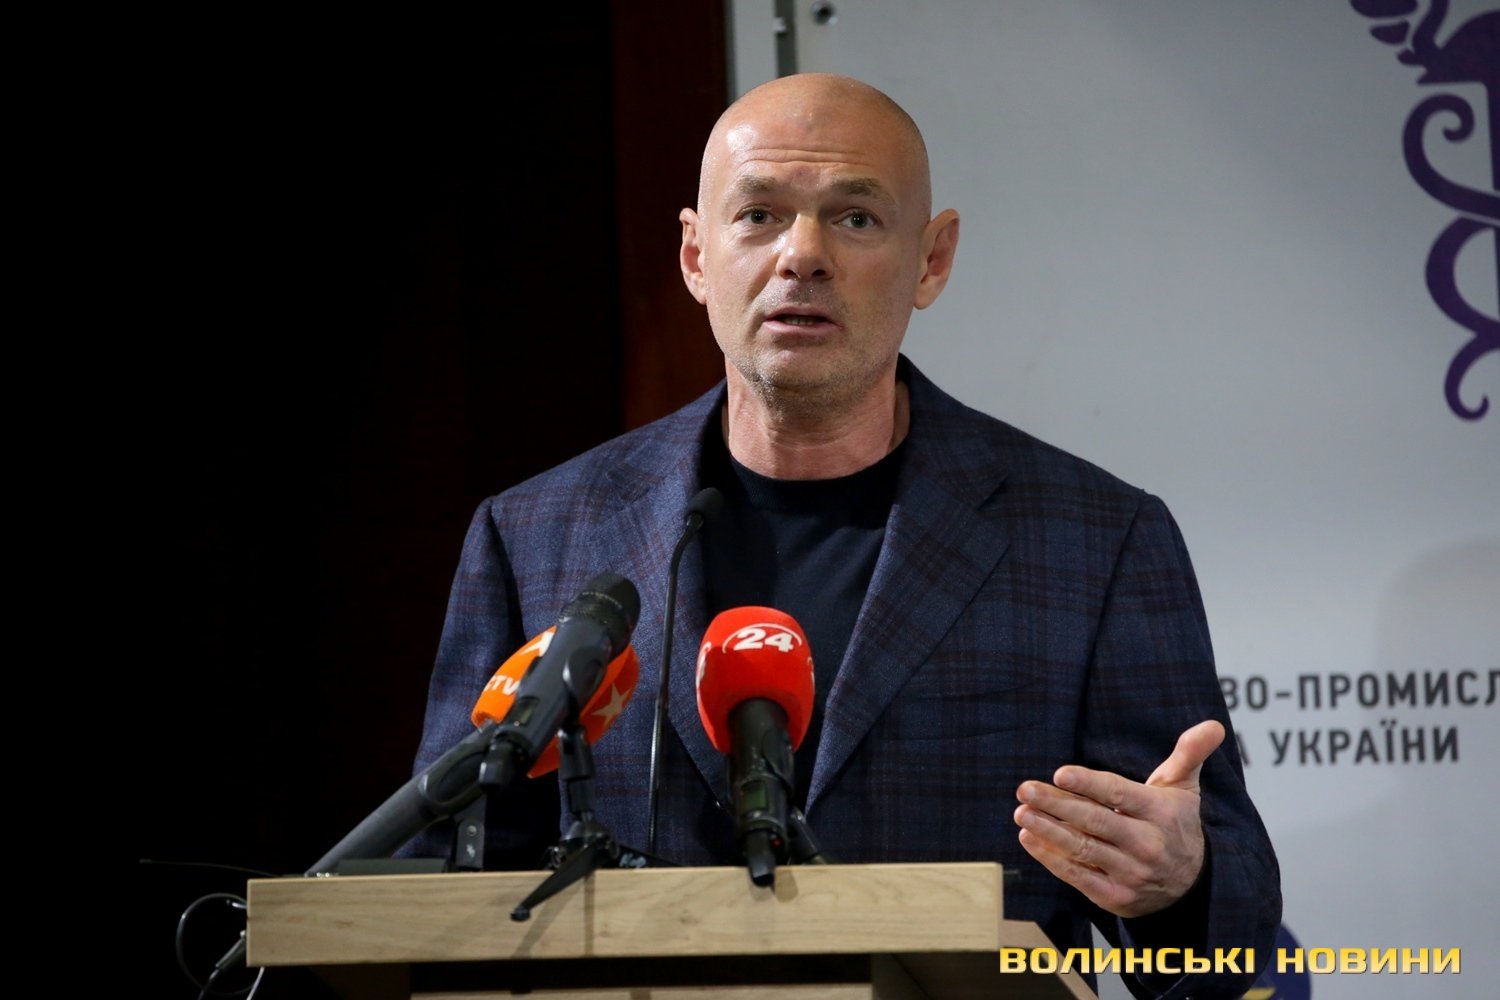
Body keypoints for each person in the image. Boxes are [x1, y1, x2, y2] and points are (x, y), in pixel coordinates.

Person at [409, 73, 1280, 997]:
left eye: (855, 218)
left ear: (932, 260)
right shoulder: (537, 534)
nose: (802, 256)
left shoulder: (1094, 538)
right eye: (759, 216)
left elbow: (1229, 931)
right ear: (696, 256)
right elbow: (446, 875)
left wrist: (1178, 883)